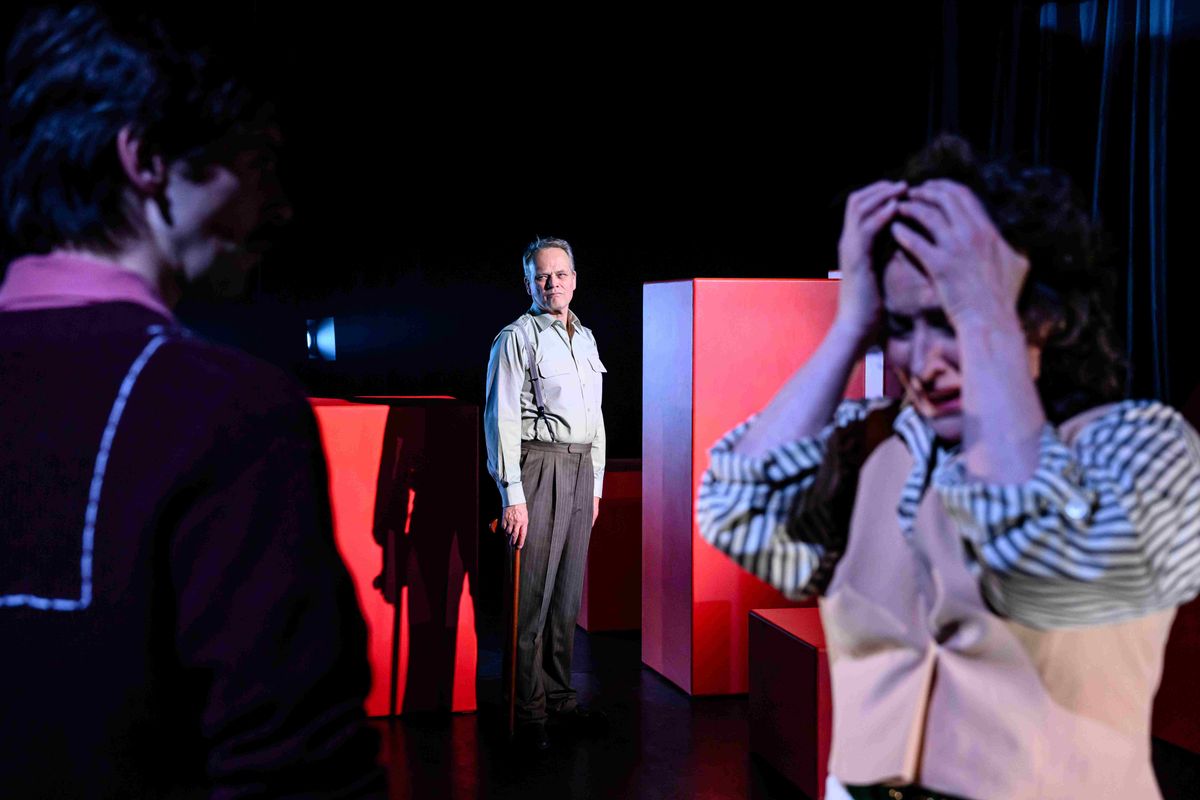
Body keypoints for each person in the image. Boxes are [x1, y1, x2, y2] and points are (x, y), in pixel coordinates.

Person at [697, 136, 1200, 800]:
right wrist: (851, 324)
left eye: (950, 317)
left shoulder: (1144, 450)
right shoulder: (882, 451)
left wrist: (983, 316)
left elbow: (1043, 575)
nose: (926, 360)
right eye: (903, 326)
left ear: (1043, 315)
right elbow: (739, 510)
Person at [0, 7, 383, 797]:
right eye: (256, 161)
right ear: (146, 160)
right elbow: (298, 776)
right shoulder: (229, 414)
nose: (280, 206)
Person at [484, 236, 607, 751]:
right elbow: (501, 419)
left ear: (574, 280)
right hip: (539, 467)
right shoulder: (516, 338)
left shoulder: (586, 338)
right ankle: (527, 711)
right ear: (529, 283)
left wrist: (596, 483)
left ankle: (560, 701)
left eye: (560, 274)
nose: (552, 283)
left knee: (566, 597)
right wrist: (512, 494)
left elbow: (596, 417)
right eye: (542, 276)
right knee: (530, 597)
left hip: (579, 471)